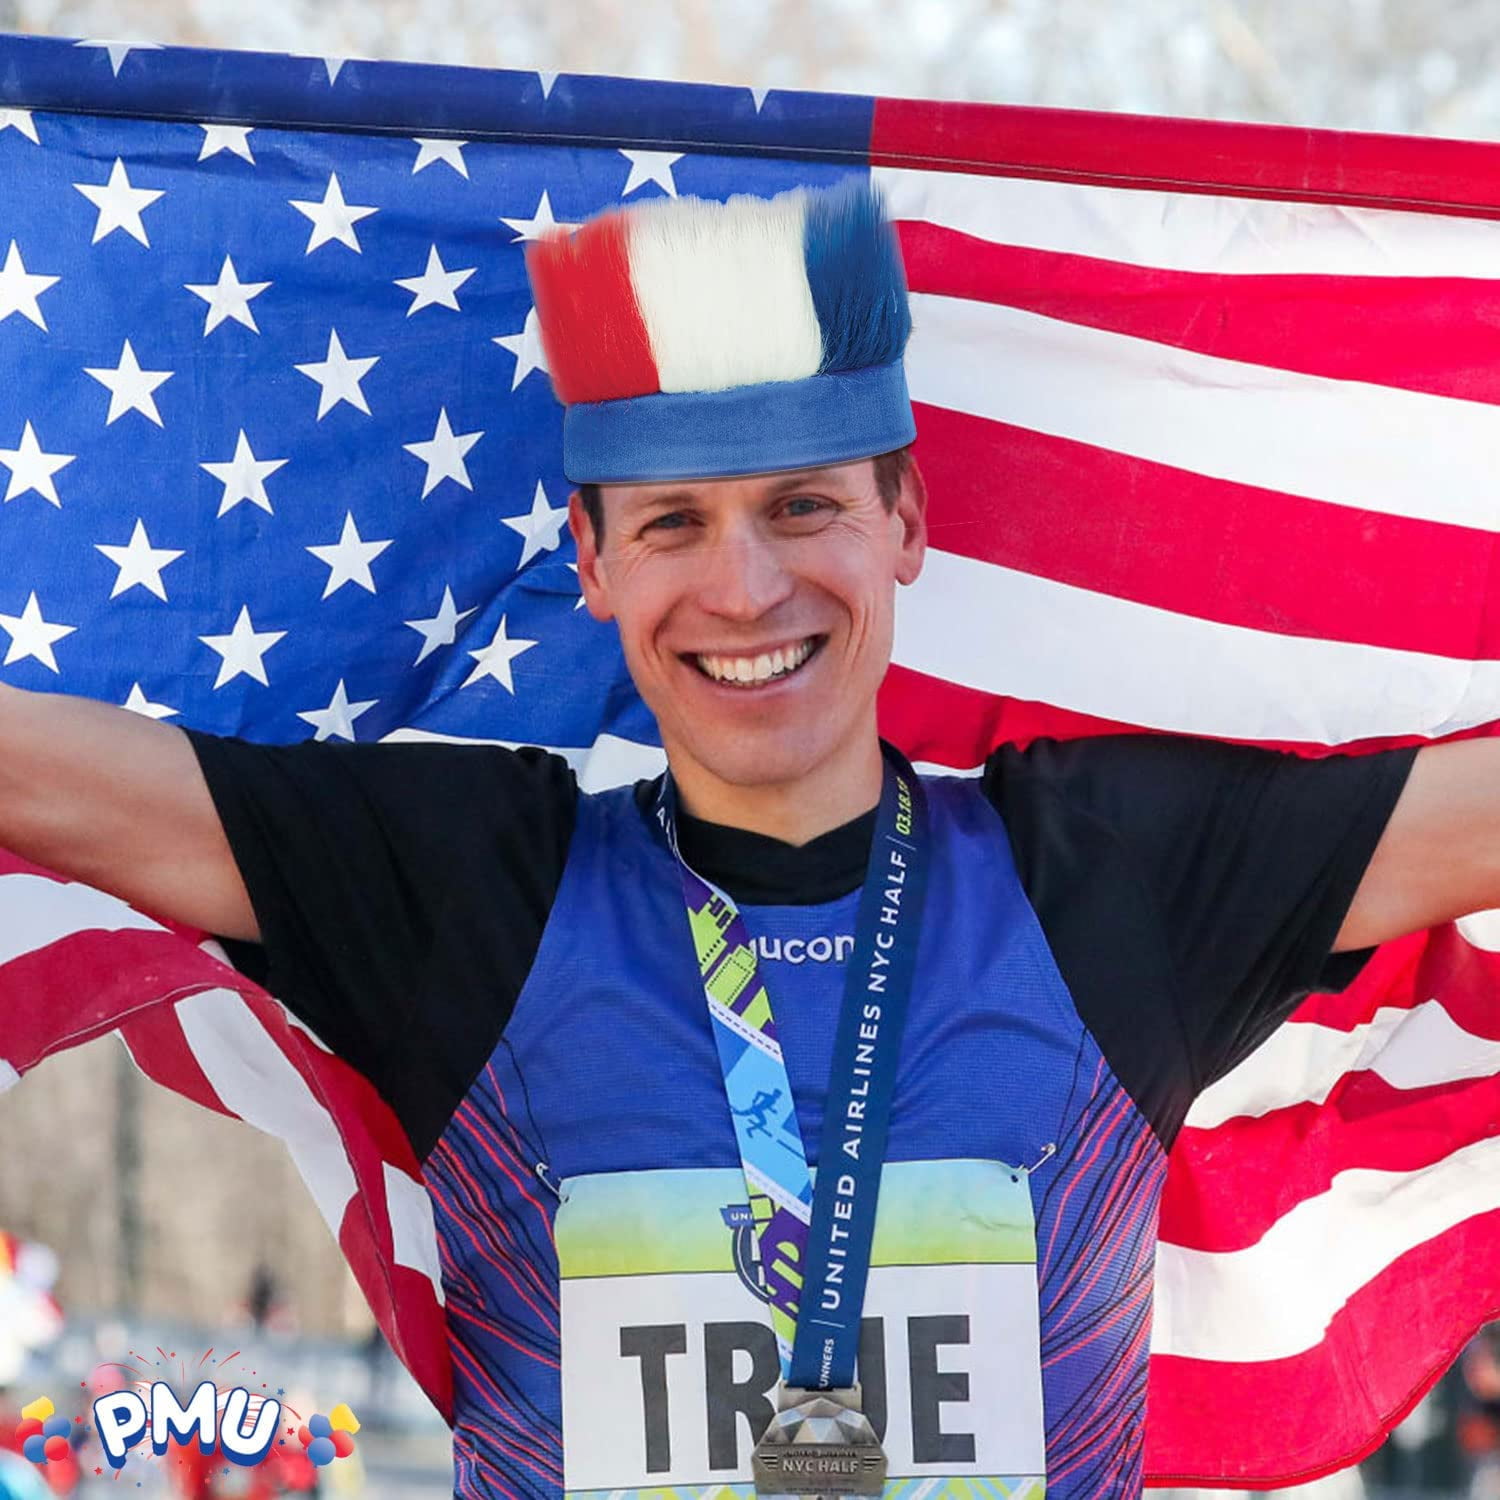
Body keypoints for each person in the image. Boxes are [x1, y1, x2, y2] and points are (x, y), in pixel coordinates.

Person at [0, 180, 1495, 1499]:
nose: (744, 588)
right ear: (592, 562)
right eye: (672, 524)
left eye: (801, 506)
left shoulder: (1106, 881)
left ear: (906, 520)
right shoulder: (477, 894)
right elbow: (50, 781)